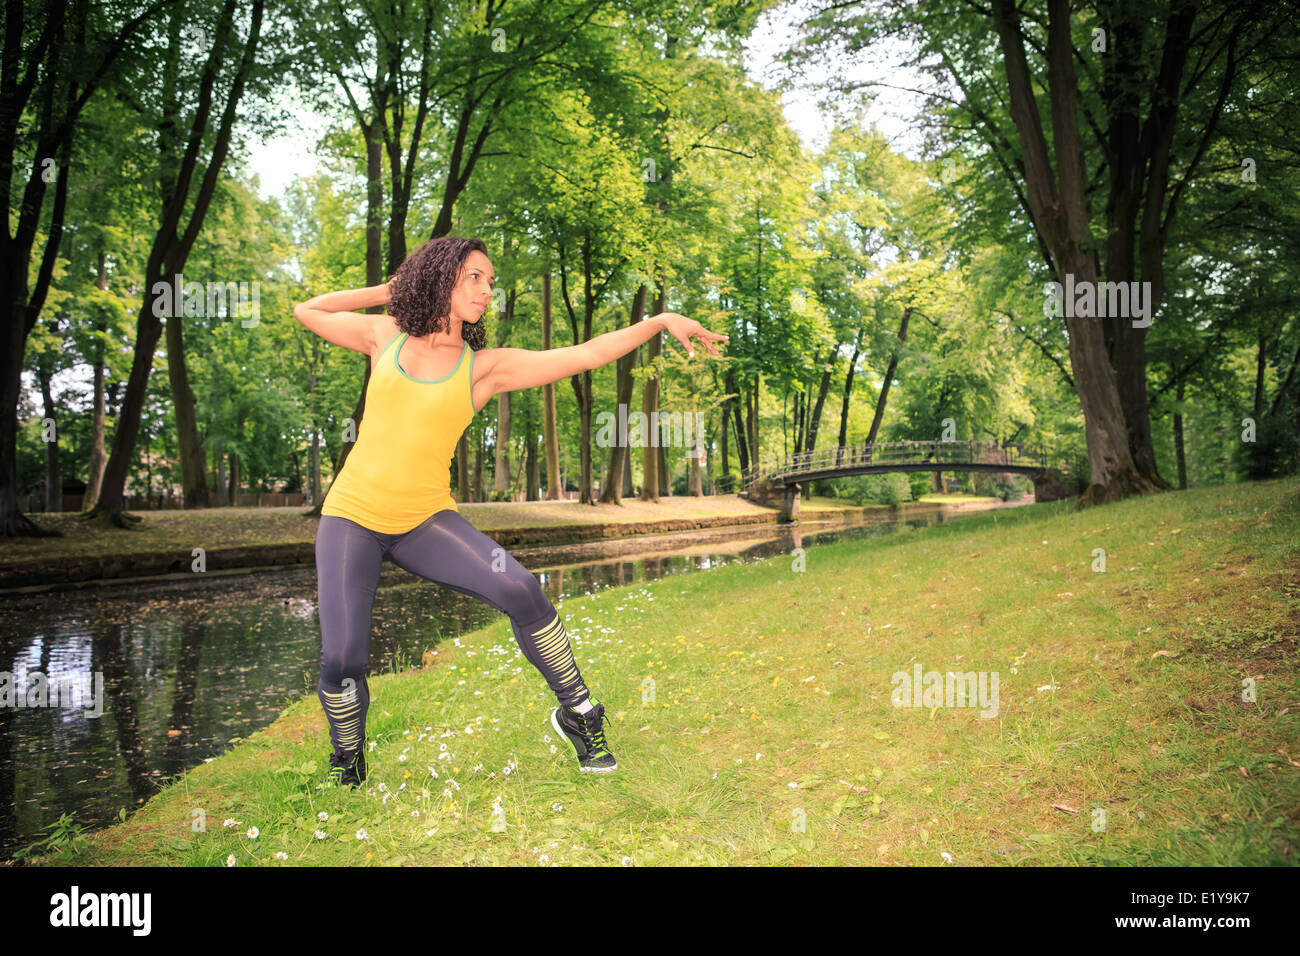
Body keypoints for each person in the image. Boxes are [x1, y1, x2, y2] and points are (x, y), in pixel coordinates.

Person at [293, 236, 728, 786]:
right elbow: (307, 310)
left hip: (425, 521)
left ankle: (580, 715)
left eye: (491, 282)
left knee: (523, 588)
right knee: (344, 659)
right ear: (441, 275)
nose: (485, 290)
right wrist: (394, 289)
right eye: (474, 276)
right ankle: (348, 757)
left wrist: (660, 320)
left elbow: (587, 354)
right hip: (351, 516)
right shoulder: (385, 336)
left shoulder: (484, 368)